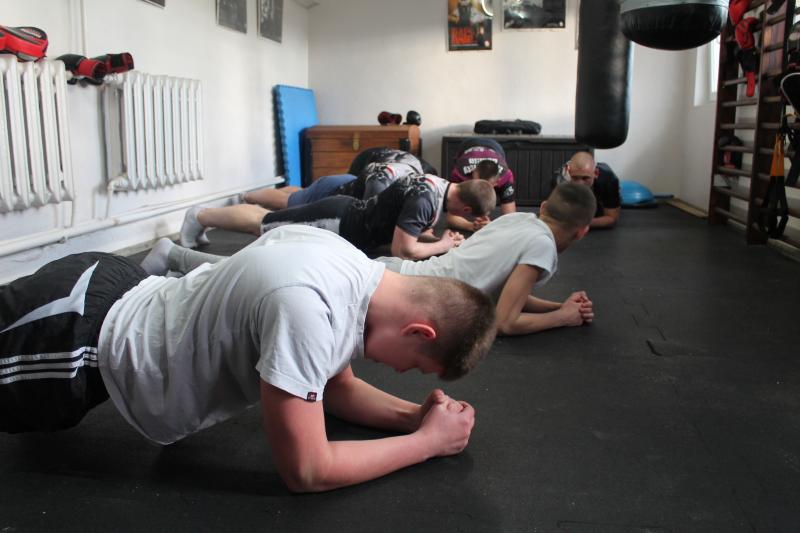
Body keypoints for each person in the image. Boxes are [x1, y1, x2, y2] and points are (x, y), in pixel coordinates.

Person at [0, 225, 497, 493]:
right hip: (76, 336)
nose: (400, 372)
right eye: (415, 365)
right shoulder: (307, 309)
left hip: (116, 287)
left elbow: (336, 386)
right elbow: (308, 469)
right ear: (418, 331)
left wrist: (415, 417)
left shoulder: (348, 267)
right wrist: (426, 443)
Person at [145, 183, 596, 337]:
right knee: (268, 278)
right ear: (581, 232)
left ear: (546, 207)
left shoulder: (519, 222)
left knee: (273, 273)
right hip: (399, 287)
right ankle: (176, 258)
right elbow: (506, 320)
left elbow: (505, 291)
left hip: (397, 275)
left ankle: (176, 257)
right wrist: (563, 318)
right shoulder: (541, 245)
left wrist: (558, 306)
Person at [179, 175, 497, 260]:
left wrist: (438, 239)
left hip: (346, 217)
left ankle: (204, 218)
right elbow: (403, 249)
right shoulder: (426, 201)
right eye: (470, 219)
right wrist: (442, 244)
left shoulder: (436, 184)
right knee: (261, 224)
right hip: (336, 221)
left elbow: (405, 232)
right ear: (466, 209)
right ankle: (201, 215)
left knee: (267, 221)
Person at [241, 148, 434, 211]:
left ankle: (261, 195)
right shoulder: (405, 174)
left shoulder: (411, 166)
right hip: (341, 183)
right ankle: (248, 197)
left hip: (346, 179)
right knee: (287, 202)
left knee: (304, 194)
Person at [448, 137, 517, 232]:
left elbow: (510, 218)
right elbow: (450, 217)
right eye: (478, 185)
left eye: (486, 187)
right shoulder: (459, 173)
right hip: (467, 145)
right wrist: (471, 226)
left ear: (497, 183)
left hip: (496, 147)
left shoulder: (506, 176)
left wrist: (492, 226)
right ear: (472, 175)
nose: (481, 190)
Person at [557, 151, 621, 229]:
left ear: (596, 173)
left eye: (585, 178)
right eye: (575, 177)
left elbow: (612, 218)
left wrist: (580, 223)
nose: (580, 184)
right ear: (569, 172)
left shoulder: (609, 179)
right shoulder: (560, 181)